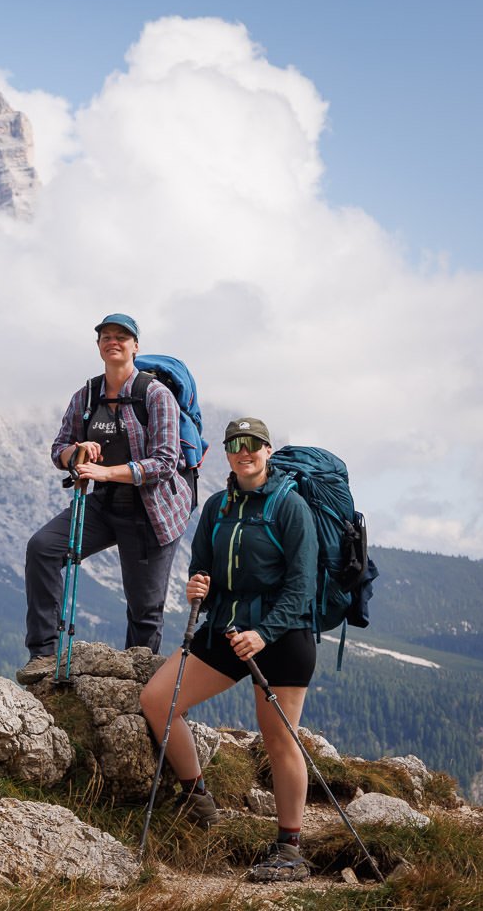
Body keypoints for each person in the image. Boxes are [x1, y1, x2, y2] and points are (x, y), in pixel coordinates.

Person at [139, 416, 318, 882]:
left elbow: (302, 588)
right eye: (236, 444)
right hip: (224, 631)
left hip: (283, 638)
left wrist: (265, 633)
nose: (245, 451)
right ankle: (199, 801)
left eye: (254, 444)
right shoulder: (217, 506)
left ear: (268, 451)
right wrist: (198, 586)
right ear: (227, 452)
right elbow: (202, 568)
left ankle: (291, 850)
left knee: (279, 738)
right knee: (157, 700)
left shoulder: (290, 507)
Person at [17, 313, 191, 683]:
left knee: (144, 610)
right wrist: (77, 453)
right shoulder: (87, 395)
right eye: (106, 336)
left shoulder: (156, 396)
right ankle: (43, 654)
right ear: (98, 346)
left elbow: (164, 462)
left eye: (122, 337)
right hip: (103, 504)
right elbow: (58, 449)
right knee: (43, 548)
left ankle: (136, 683)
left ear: (135, 346)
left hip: (153, 510)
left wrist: (106, 472)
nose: (113, 341)